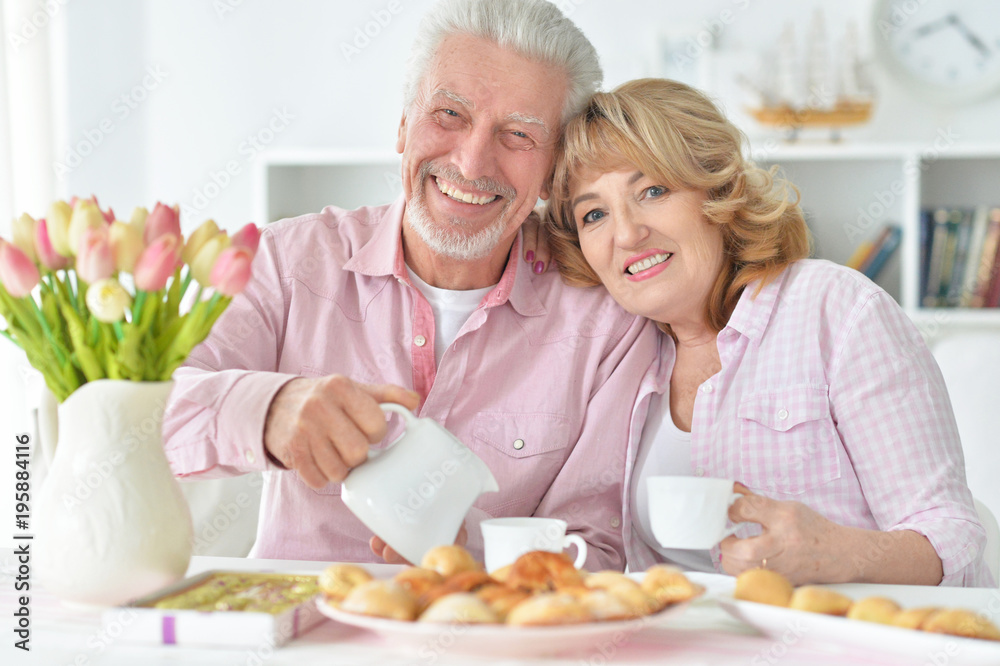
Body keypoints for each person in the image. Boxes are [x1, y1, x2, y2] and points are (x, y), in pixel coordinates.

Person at [162, 0, 658, 569]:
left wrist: (469, 555)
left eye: (519, 134)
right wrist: (269, 411)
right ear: (403, 123)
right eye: (449, 114)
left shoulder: (606, 319)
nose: (472, 163)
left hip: (494, 646)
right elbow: (154, 417)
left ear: (553, 171)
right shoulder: (288, 260)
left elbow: (596, 549)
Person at [535, 77, 991, 586]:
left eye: (653, 191)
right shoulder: (623, 354)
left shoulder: (836, 309)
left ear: (719, 192)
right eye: (593, 213)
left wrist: (842, 554)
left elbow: (955, 543)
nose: (626, 232)